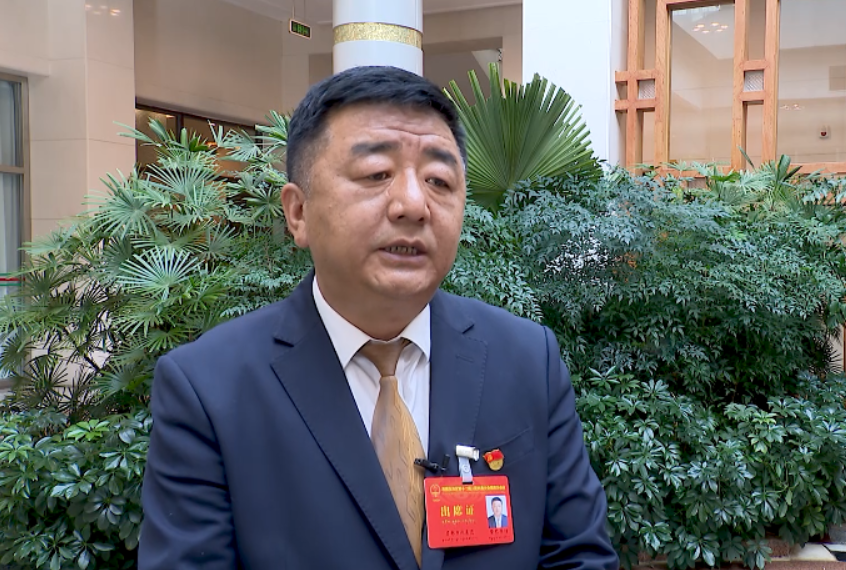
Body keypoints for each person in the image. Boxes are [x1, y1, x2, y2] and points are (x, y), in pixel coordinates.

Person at [138, 65, 618, 570]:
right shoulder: (209, 389)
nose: (413, 204)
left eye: (438, 180)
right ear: (298, 212)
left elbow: (578, 556)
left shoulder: (527, 360)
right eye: (375, 174)